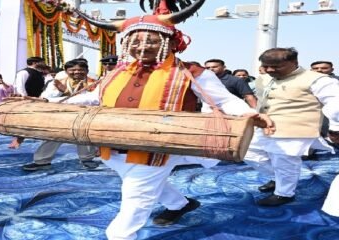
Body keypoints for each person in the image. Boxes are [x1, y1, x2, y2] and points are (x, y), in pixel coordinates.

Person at [73, 0, 274, 239]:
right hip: (111, 145)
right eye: (134, 41)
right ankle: (180, 204)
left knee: (136, 195)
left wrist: (249, 113)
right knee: (134, 178)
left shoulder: (194, 72)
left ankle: (121, 235)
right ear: (125, 43)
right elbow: (94, 97)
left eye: (152, 41)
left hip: (159, 146)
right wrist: (51, 106)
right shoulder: (118, 71)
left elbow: (223, 101)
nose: (143, 46)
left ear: (169, 42)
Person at [245, 47, 339, 206]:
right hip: (263, 126)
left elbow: (335, 102)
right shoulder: (264, 78)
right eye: (266, 66)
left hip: (294, 129)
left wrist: (335, 126)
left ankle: (284, 193)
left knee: (284, 161)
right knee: (248, 152)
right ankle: (279, 178)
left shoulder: (318, 80)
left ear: (294, 62)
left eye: (275, 67)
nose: (269, 70)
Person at [22, 59, 100, 171]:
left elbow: (92, 99)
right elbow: (46, 97)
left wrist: (67, 93)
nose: (77, 72)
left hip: (86, 115)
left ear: (87, 71)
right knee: (54, 136)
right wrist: (62, 91)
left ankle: (87, 160)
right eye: (73, 70)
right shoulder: (56, 82)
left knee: (84, 136)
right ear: (66, 71)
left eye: (81, 70)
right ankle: (42, 161)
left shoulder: (95, 82)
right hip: (63, 116)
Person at [9, 57, 46, 149]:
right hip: (27, 100)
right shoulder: (24, 72)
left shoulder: (40, 73)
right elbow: (20, 86)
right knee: (23, 120)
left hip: (38, 100)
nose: (44, 64)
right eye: (42, 62)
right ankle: (17, 140)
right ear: (35, 62)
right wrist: (25, 98)